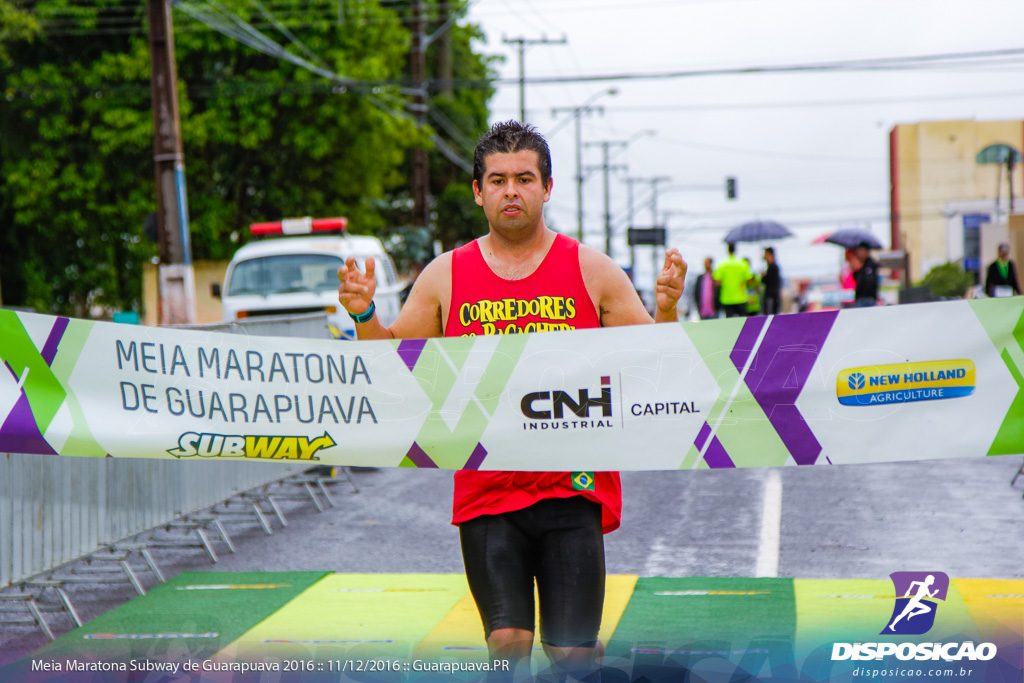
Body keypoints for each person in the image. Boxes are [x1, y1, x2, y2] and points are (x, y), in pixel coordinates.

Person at [337, 121, 687, 682]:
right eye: (497, 180)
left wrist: (667, 309)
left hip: (572, 489)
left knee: (571, 653)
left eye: (525, 178)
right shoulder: (444, 277)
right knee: (506, 642)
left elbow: (655, 363)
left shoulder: (593, 271)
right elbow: (392, 368)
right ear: (478, 192)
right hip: (487, 490)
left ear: (547, 188)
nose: (511, 191)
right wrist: (362, 315)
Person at [713, 242, 753, 318]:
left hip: (727, 299)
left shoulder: (722, 265)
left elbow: (717, 283)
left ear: (728, 250)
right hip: (741, 298)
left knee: (730, 325)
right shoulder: (743, 264)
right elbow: (749, 280)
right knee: (743, 324)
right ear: (735, 250)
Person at [851, 240, 879, 307]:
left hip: (869, 299)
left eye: (860, 250)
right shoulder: (861, 265)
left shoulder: (870, 265)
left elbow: (869, 282)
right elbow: (856, 280)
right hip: (860, 299)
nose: (859, 252)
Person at [762, 246, 781, 315]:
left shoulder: (772, 267)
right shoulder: (773, 267)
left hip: (771, 296)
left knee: (770, 316)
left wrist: (764, 276)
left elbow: (766, 280)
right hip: (773, 296)